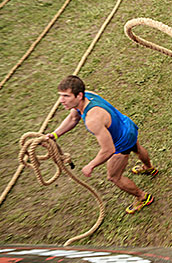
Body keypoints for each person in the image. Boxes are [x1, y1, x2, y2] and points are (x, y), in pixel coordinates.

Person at [47, 75, 158, 214]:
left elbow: (108, 149)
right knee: (137, 148)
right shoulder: (88, 96)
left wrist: (91, 165)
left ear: (79, 95)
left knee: (114, 177)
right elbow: (73, 118)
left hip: (121, 141)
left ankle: (143, 197)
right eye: (60, 95)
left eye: (66, 96)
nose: (61, 100)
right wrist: (55, 134)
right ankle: (149, 168)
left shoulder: (92, 120)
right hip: (127, 126)